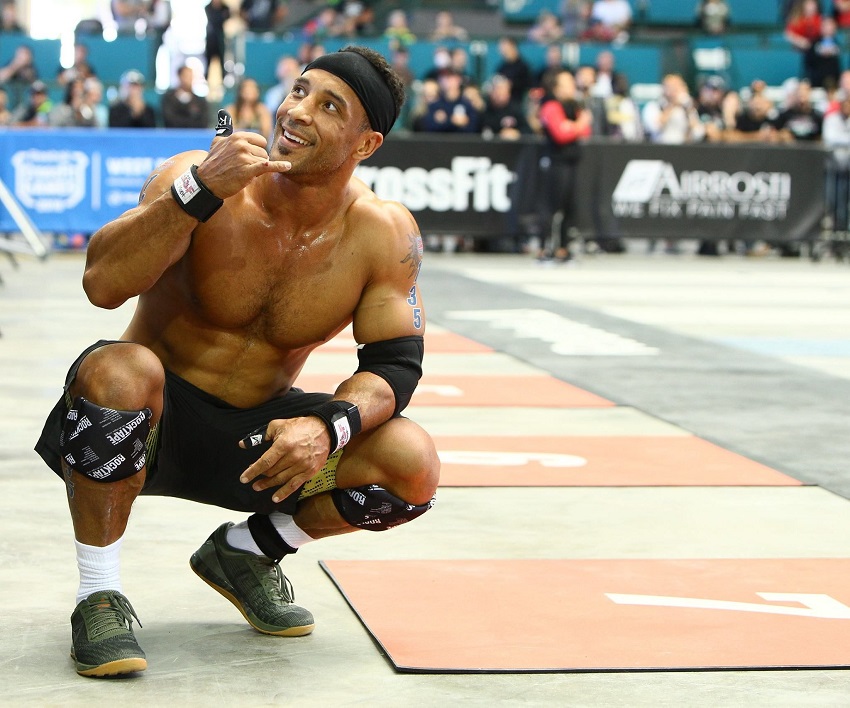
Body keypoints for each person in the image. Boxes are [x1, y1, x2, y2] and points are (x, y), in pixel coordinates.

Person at [34, 44, 439, 678]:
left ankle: (248, 552)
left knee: (410, 464)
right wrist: (197, 195)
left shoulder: (381, 231)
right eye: (299, 91)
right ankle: (98, 594)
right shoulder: (195, 174)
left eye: (328, 106)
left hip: (256, 441)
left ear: (364, 145)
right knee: (119, 368)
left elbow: (395, 366)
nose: (297, 111)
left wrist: (328, 426)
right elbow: (102, 284)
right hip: (149, 420)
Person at [535, 69, 592, 262]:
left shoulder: (573, 106)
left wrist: (573, 127)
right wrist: (577, 125)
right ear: (557, 87)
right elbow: (561, 134)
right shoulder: (550, 106)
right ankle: (544, 247)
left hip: (572, 161)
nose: (572, 86)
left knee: (569, 206)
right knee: (552, 206)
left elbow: (586, 131)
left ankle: (563, 247)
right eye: (567, 82)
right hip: (555, 162)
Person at [161, 64, 209, 129]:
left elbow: (203, 122)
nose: (189, 79)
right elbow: (169, 120)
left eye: (191, 76)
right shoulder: (168, 99)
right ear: (179, 77)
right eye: (186, 76)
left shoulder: (200, 102)